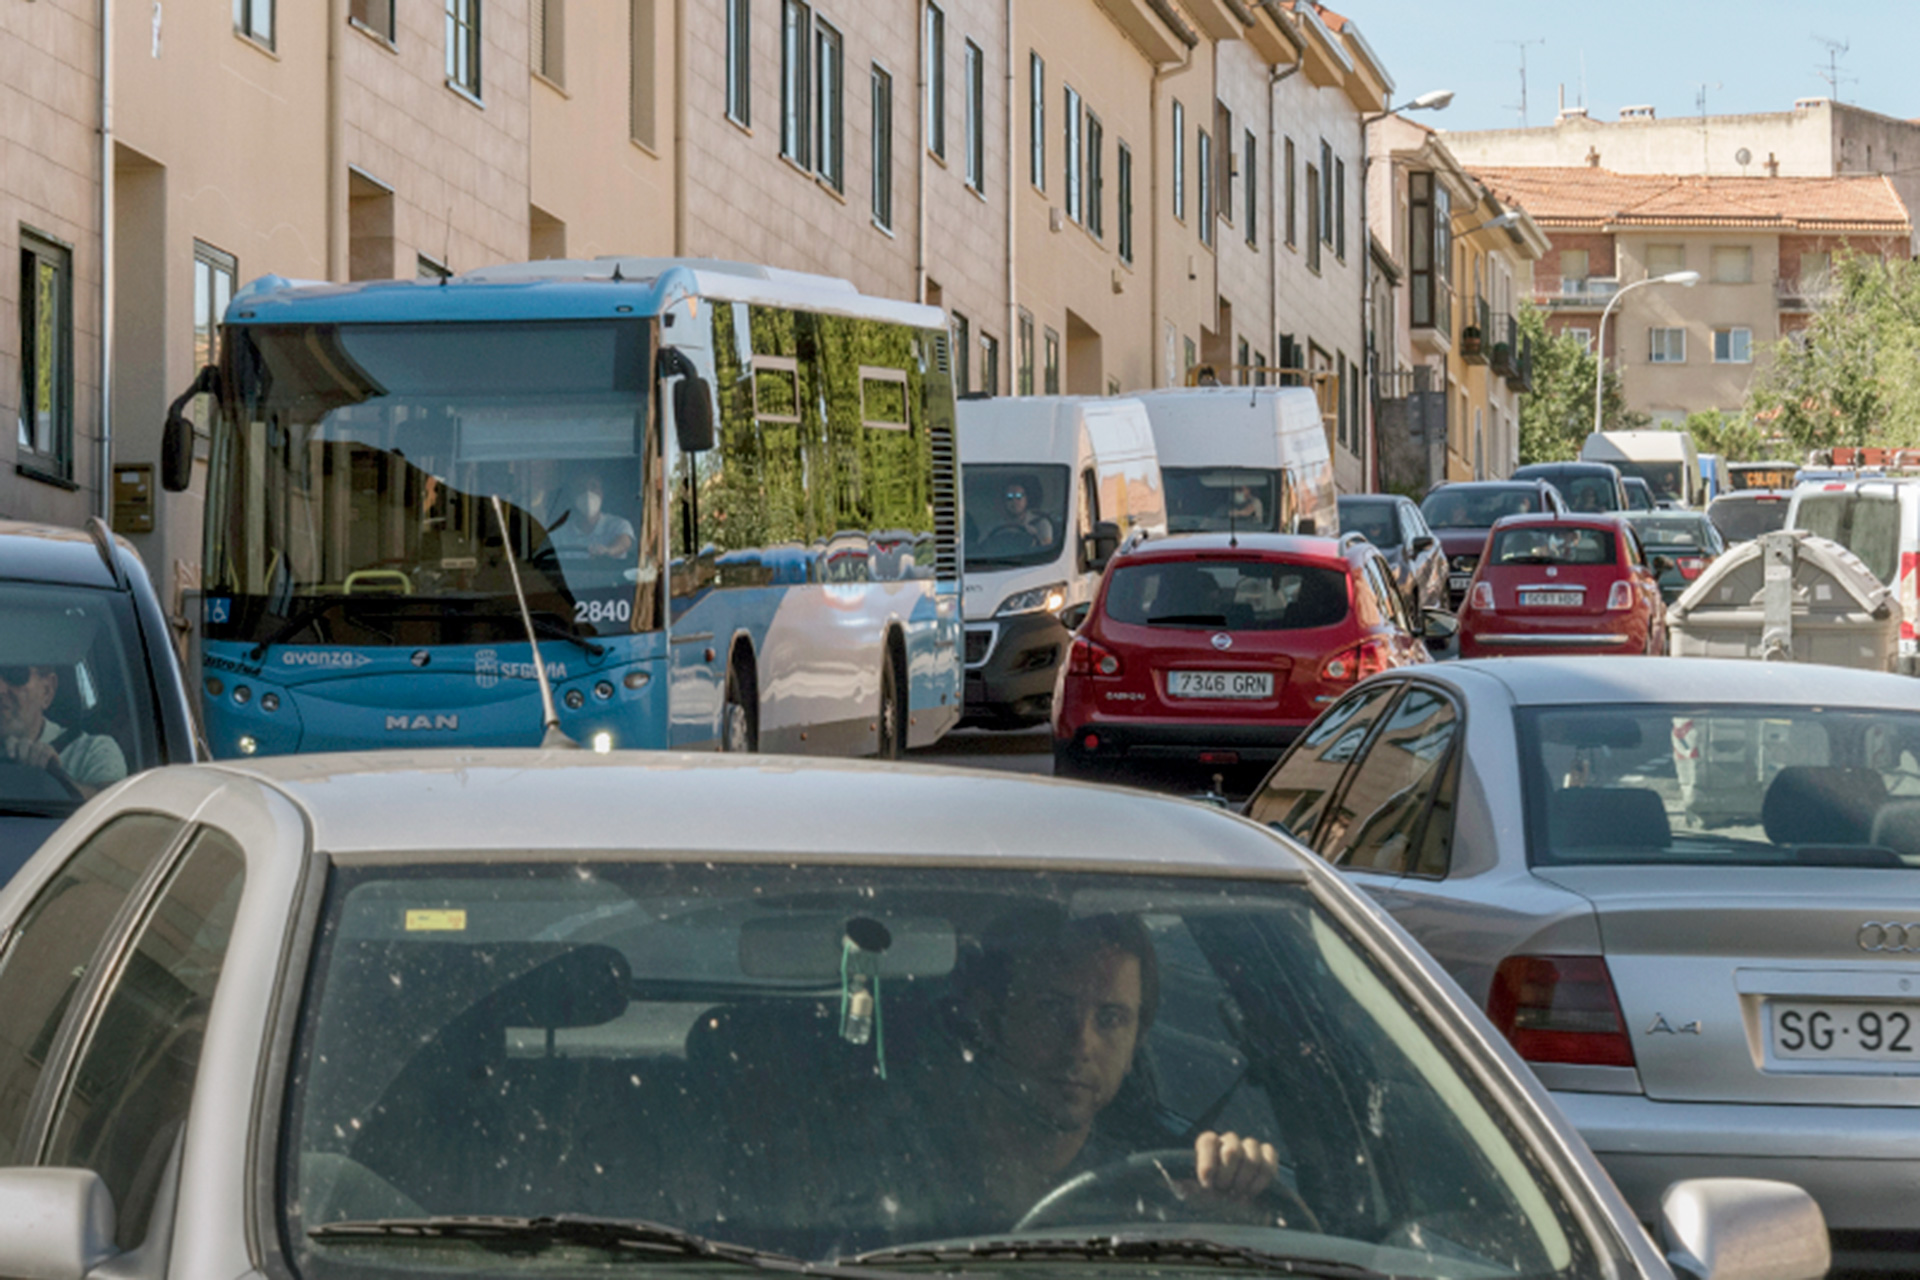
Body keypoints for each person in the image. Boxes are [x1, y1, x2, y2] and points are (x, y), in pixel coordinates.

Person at [930, 912, 1280, 1226]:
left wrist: (1233, 1202)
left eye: (1110, 1019)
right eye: (1053, 1008)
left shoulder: (1156, 1189)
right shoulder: (904, 1162)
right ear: (991, 1021)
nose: (1082, 1045)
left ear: (1134, 1047)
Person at [0, 665, 128, 799]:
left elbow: (110, 807)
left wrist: (54, 777)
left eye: (14, 674)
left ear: (46, 691)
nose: (0, 688)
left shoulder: (90, 752)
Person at [548, 471, 637, 559]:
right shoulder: (559, 533)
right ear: (573, 495)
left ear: (602, 493)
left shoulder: (619, 525)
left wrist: (608, 550)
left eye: (594, 486)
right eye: (580, 487)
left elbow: (624, 543)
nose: (587, 493)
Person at [996, 478, 1056, 549]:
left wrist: (1034, 538)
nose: (1014, 501)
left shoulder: (1041, 524)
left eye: (1019, 496)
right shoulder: (998, 528)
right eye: (1009, 497)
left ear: (1026, 499)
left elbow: (1047, 550)